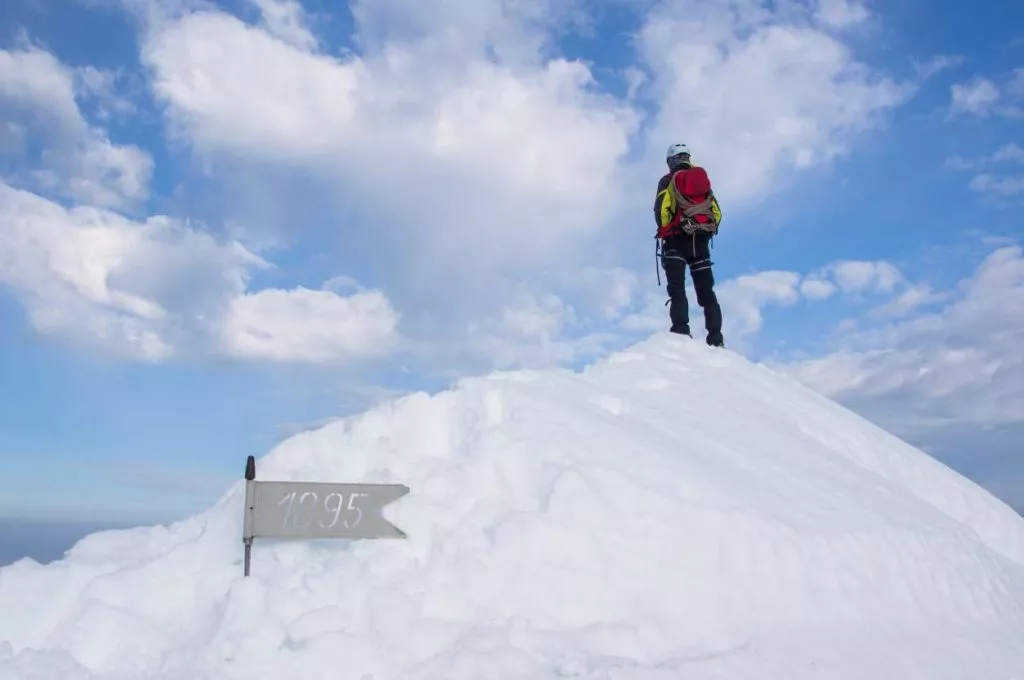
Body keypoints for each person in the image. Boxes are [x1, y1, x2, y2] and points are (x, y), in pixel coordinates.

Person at [652, 143, 724, 347]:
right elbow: (716, 213)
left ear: (670, 161)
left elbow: (661, 210)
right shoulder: (702, 182)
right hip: (700, 243)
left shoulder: (667, 180)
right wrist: (704, 232)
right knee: (707, 293)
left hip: (676, 241)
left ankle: (681, 331)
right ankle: (716, 338)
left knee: (677, 289)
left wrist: (667, 232)